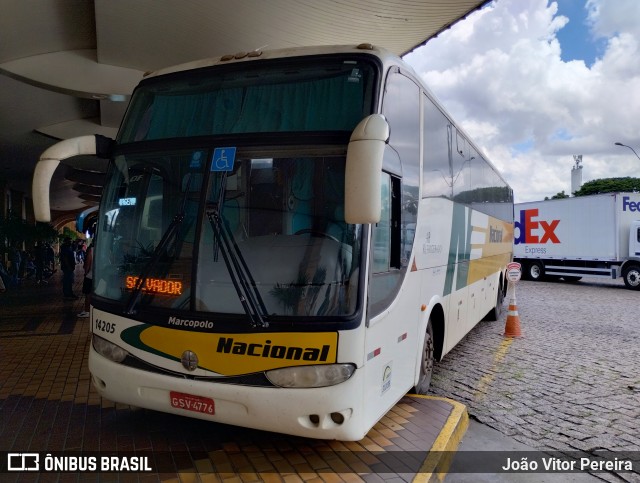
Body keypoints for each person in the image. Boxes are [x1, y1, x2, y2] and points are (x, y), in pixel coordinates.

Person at [77, 238, 94, 318]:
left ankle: (87, 311)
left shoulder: (91, 250)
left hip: (90, 276)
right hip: (100, 277)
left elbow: (87, 264)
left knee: (88, 294)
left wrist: (86, 273)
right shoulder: (106, 249)